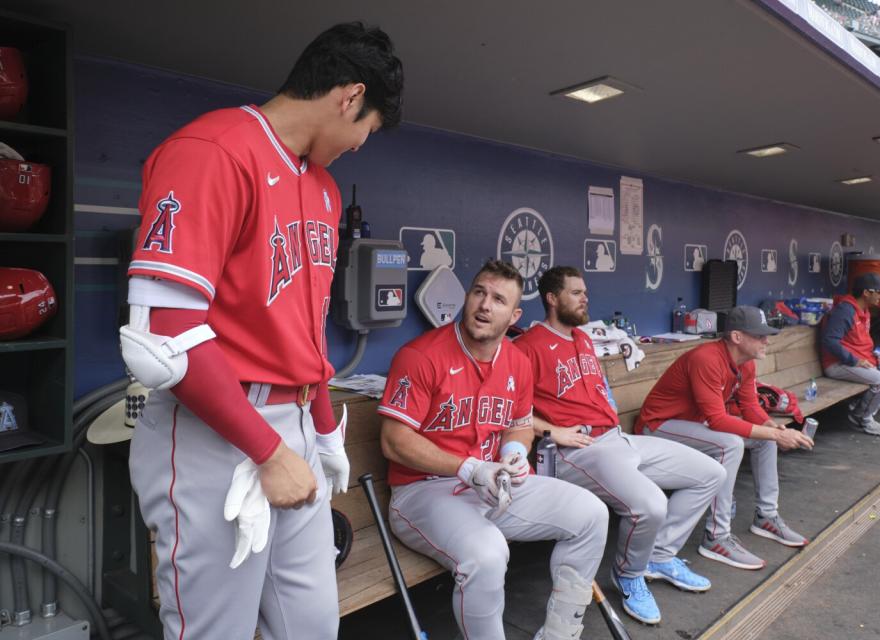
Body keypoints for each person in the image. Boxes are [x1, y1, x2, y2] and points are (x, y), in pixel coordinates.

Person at [122, 23, 403, 640]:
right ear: (349, 97)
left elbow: (302, 335)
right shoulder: (213, 149)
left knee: (311, 627)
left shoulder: (324, 191)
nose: (361, 144)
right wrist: (269, 452)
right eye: (368, 129)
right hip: (215, 432)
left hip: (295, 424)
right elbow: (163, 335)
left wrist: (323, 431)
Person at [379, 260, 608, 640]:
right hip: (423, 491)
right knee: (488, 555)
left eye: (499, 299)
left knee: (591, 514)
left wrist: (514, 453)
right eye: (479, 293)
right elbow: (394, 440)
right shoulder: (421, 355)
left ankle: (559, 633)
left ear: (514, 314)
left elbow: (518, 425)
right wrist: (468, 468)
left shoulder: (517, 361)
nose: (485, 305)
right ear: (467, 298)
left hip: (492, 484)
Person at [513, 267, 725, 625]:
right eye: (576, 292)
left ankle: (658, 554)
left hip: (617, 438)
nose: (585, 298)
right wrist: (552, 432)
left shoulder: (581, 338)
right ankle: (629, 574)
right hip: (580, 450)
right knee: (651, 505)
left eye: (585, 292)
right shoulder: (525, 348)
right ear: (551, 298)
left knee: (710, 473)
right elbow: (509, 408)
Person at [637, 306, 814, 571]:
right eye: (759, 335)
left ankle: (767, 516)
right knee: (728, 444)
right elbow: (718, 420)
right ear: (737, 337)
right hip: (659, 425)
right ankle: (716, 536)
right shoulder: (706, 358)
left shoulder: (746, 363)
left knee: (765, 440)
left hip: (692, 426)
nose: (767, 340)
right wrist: (777, 433)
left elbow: (751, 408)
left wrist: (773, 429)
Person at [821, 273, 880, 436]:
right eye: (879, 291)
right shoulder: (845, 311)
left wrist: (877, 352)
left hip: (861, 361)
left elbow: (865, 339)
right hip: (839, 364)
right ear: (866, 293)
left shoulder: (864, 309)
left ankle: (861, 409)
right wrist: (854, 360)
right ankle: (863, 417)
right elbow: (830, 341)